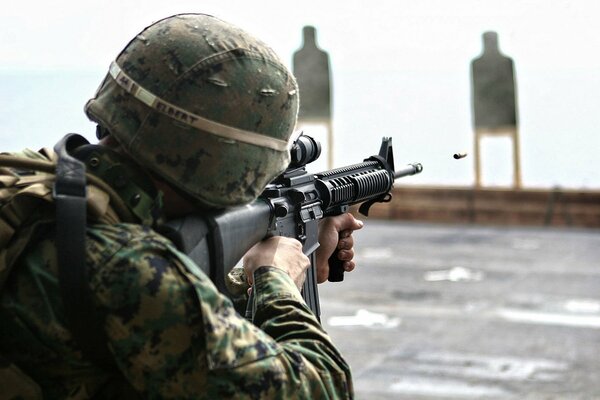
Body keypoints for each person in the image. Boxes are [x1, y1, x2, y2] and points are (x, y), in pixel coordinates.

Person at [0, 13, 363, 399]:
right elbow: (323, 387)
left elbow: (159, 318)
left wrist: (246, 281)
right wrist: (277, 279)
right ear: (225, 168)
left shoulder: (30, 186)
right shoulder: (124, 265)